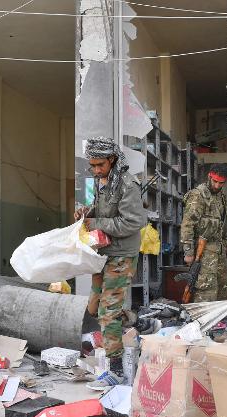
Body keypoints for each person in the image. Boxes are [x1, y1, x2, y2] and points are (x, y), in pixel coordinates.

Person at [74, 137, 146, 390]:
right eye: (92, 165)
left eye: (100, 165)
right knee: (95, 308)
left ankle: (116, 370)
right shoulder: (102, 180)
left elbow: (133, 222)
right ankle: (138, 321)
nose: (95, 170)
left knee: (107, 313)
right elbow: (101, 209)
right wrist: (87, 212)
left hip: (122, 255)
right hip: (103, 253)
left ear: (112, 159)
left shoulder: (127, 184)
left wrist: (97, 223)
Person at [180, 164, 227, 302]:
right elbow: (188, 224)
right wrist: (188, 252)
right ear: (209, 176)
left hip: (220, 250)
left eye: (221, 183)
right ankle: (203, 315)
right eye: (215, 181)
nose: (217, 186)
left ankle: (219, 315)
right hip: (203, 251)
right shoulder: (198, 195)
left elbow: (224, 222)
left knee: (224, 286)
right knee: (206, 289)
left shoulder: (223, 196)